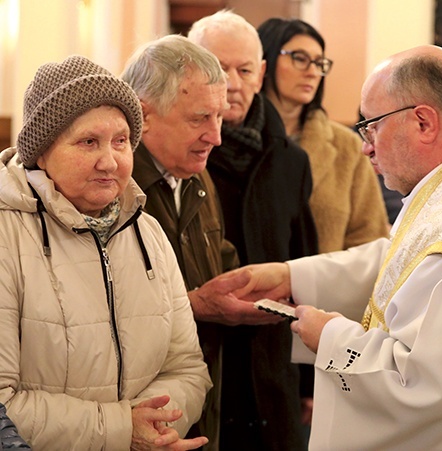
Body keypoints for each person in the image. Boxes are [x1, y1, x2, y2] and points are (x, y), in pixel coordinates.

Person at [227, 45, 442, 450]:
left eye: (371, 126)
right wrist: (293, 276)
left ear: (423, 121)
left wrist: (331, 337)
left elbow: (425, 388)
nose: (367, 146)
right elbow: (407, 259)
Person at [0, 55, 211, 450]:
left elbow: (187, 368)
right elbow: (2, 403)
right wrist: (120, 430)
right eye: (88, 142)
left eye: (120, 141)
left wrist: (156, 429)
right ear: (41, 152)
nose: (109, 160)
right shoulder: (6, 236)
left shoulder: (147, 231)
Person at [121, 34, 284, 449]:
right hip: (136, 421)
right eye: (199, 119)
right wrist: (195, 304)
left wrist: (261, 286)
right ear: (143, 115)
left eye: (218, 116)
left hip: (196, 409)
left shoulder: (196, 176)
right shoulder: (111, 188)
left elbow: (216, 258)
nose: (216, 136)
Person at [187, 11, 318, 451]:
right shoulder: (180, 157)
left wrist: (307, 382)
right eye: (217, 68)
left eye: (244, 70)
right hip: (200, 364)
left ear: (261, 75)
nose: (233, 81)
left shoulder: (290, 160)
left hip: (270, 370)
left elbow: (305, 264)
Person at [257, 17, 389, 253]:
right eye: (300, 58)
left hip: (322, 286)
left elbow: (369, 240)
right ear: (266, 61)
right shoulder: (237, 138)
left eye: (319, 63)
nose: (312, 72)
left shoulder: (346, 146)